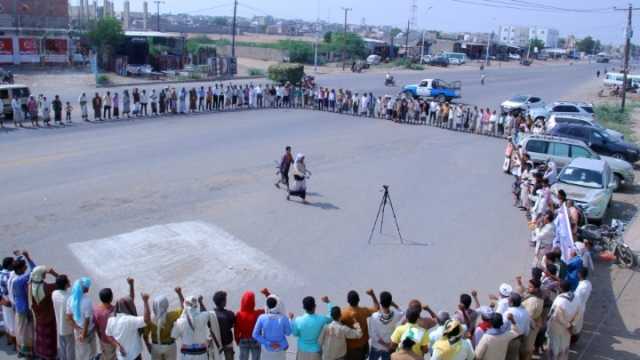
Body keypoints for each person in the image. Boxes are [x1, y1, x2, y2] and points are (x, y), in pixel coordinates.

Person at [171, 295, 221, 360]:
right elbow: (207, 313)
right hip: (202, 355)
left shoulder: (180, 322)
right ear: (196, 305)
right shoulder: (204, 316)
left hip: (187, 355)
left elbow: (174, 336)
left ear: (185, 306)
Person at [106, 292, 152, 360]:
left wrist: (117, 345)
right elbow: (147, 320)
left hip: (121, 357)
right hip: (134, 356)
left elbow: (108, 335)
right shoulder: (129, 320)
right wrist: (145, 301)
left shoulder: (111, 320)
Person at [337, 289, 380, 360]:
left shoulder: (343, 314)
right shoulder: (364, 311)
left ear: (348, 301)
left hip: (350, 349)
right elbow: (377, 308)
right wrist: (372, 294)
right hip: (363, 346)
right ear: (359, 300)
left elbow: (335, 323)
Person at [145, 287, 185, 360]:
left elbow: (145, 335)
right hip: (170, 346)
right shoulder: (172, 315)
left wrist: (148, 345)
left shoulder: (150, 319)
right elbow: (184, 310)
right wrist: (179, 293)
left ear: (154, 306)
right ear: (166, 305)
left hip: (155, 346)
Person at [29, 265, 60, 360]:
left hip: (38, 317)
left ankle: (42, 354)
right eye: (44, 274)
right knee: (49, 337)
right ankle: (50, 356)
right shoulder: (47, 288)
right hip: (49, 316)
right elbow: (60, 282)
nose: (45, 275)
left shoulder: (29, 286)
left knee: (41, 336)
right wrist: (54, 273)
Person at [252, 292, 291, 360]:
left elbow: (255, 334)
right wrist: (290, 320)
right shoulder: (284, 318)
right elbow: (288, 333)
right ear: (278, 304)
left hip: (266, 349)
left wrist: (269, 343)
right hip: (280, 348)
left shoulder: (262, 317)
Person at [546, 280, 579, 360]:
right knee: (564, 344)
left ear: (560, 288)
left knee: (555, 346)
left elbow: (555, 315)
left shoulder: (559, 301)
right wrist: (571, 325)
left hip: (557, 328)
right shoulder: (575, 297)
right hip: (568, 327)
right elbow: (579, 313)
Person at [12, 252, 36, 357]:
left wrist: (20, 257)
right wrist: (28, 257)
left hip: (17, 306)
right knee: (28, 331)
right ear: (20, 269)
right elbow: (34, 269)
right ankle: (29, 353)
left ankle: (21, 350)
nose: (26, 267)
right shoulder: (22, 279)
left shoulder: (13, 278)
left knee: (20, 329)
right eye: (24, 266)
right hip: (24, 308)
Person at [66, 277, 97, 360]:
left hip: (78, 330)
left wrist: (78, 329)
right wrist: (83, 334)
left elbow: (69, 318)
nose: (89, 288)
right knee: (91, 352)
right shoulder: (87, 301)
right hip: (88, 331)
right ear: (85, 288)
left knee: (81, 353)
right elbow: (87, 320)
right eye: (88, 287)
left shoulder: (70, 299)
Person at [369, 291, 404, 360]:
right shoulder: (396, 315)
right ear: (390, 303)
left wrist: (385, 345)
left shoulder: (374, 316)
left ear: (380, 303)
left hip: (376, 348)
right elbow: (403, 312)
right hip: (389, 349)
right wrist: (395, 305)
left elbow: (373, 334)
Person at [235, 290, 266, 360]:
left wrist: (237, 340)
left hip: (243, 340)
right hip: (255, 339)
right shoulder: (259, 313)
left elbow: (236, 329)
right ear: (253, 302)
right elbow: (271, 306)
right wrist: (267, 294)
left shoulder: (239, 314)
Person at [52, 274, 75, 360]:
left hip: (60, 325)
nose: (69, 281)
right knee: (70, 348)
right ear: (65, 284)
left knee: (62, 347)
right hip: (68, 327)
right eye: (68, 280)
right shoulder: (69, 297)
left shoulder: (54, 293)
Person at [503, 292, 531, 360]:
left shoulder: (508, 313)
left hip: (509, 340)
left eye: (508, 300)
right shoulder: (525, 312)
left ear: (512, 303)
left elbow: (503, 327)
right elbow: (527, 330)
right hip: (520, 340)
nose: (507, 301)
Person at [213, 291, 236, 360]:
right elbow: (232, 325)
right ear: (222, 302)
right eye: (225, 299)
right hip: (228, 343)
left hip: (216, 344)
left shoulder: (211, 314)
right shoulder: (229, 314)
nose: (226, 301)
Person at [571, 268, 592, 342]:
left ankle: (573, 339)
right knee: (578, 324)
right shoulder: (588, 284)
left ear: (579, 275)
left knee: (574, 325)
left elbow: (575, 298)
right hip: (582, 306)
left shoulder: (581, 288)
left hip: (577, 308)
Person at [0, 257, 16, 348]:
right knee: (14, 323)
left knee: (7, 321)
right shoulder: (10, 275)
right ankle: (16, 344)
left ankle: (9, 340)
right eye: (13, 263)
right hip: (10, 301)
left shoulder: (1, 273)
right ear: (9, 265)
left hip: (4, 300)